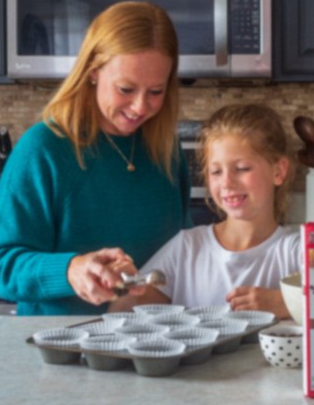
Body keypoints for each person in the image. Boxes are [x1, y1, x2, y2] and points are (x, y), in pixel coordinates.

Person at [0, 1, 192, 316]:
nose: (139, 107)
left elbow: (182, 254)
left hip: (152, 347)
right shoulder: (43, 149)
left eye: (156, 92)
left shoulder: (165, 150)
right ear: (93, 71)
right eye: (125, 88)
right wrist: (71, 270)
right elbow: (1, 266)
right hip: (61, 350)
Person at [113, 103, 301, 318]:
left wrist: (287, 304)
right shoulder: (187, 248)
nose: (227, 182)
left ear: (279, 171)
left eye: (242, 169)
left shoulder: (296, 252)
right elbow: (124, 312)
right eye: (216, 171)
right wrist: (120, 286)